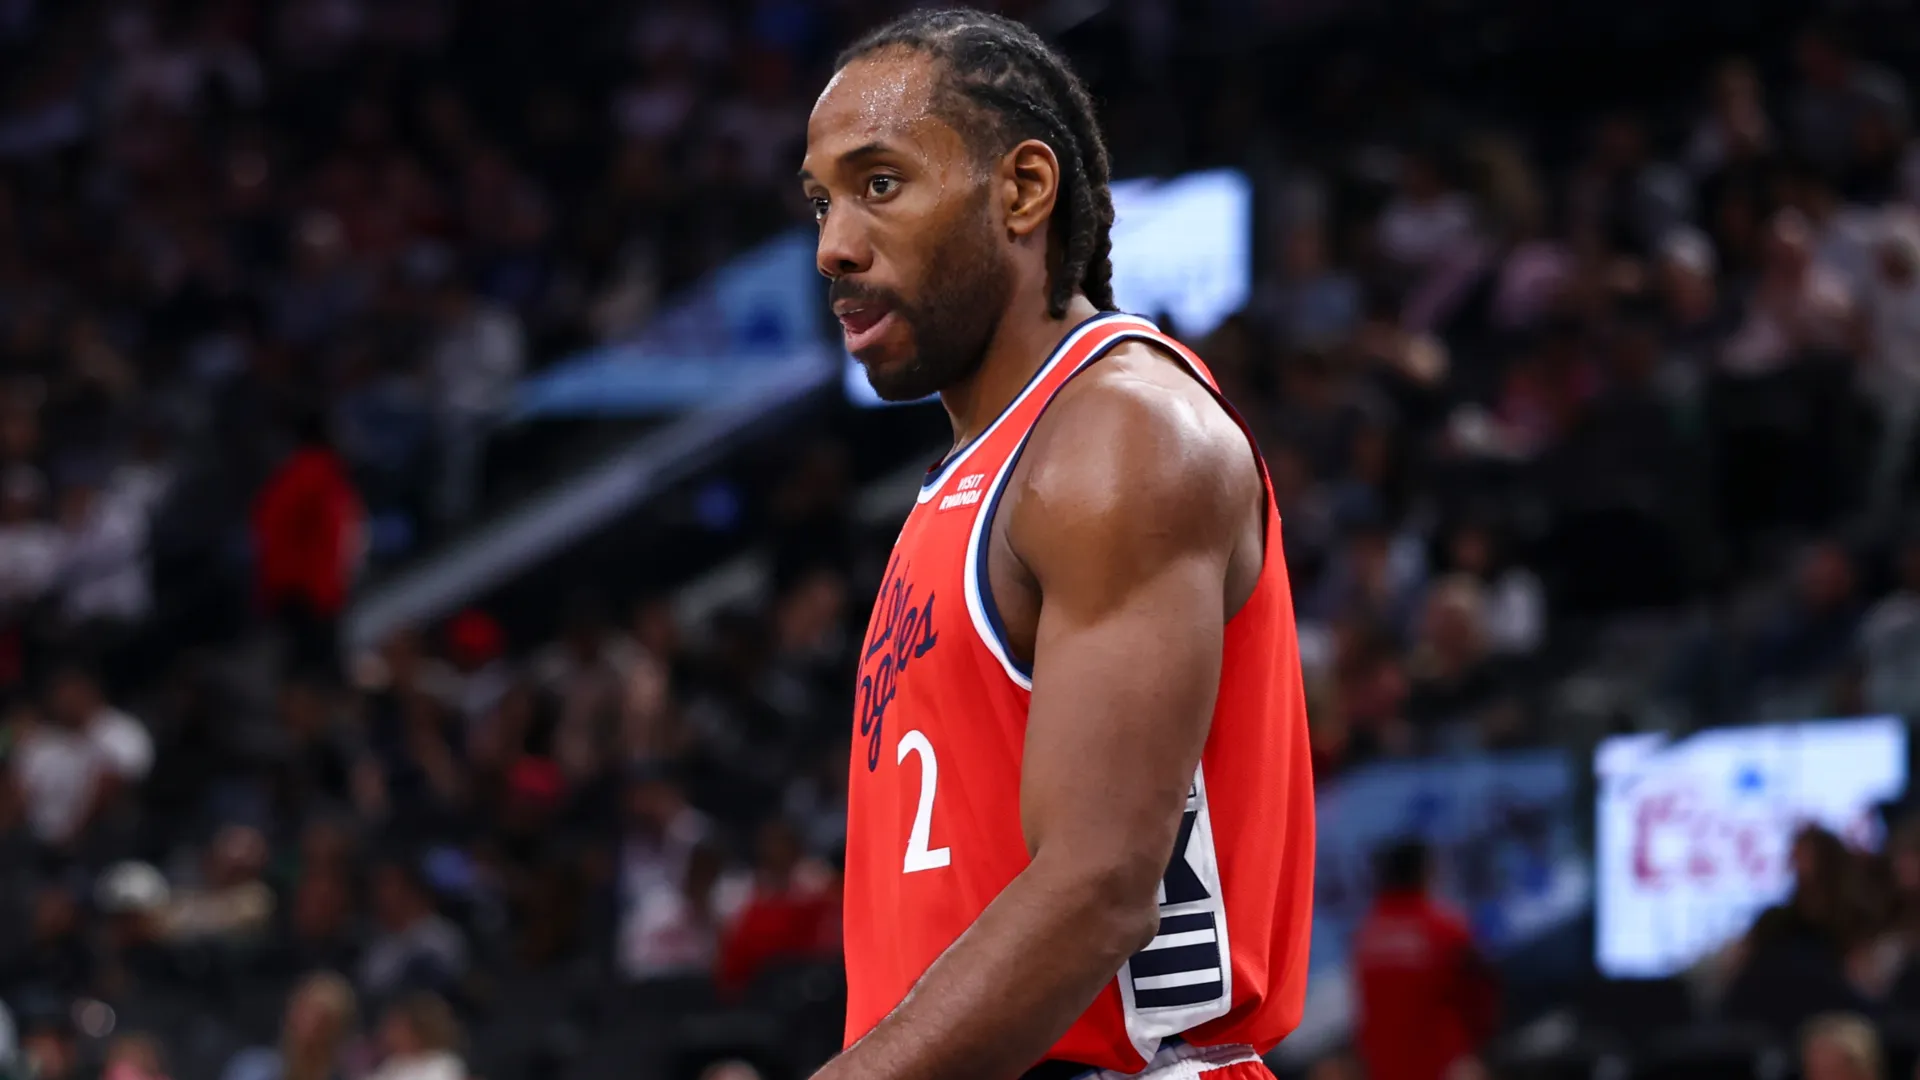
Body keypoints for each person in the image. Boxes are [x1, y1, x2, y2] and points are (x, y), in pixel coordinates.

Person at [799, 10, 1314, 1079]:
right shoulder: (979, 471)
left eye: (880, 184)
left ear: (1024, 191)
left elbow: (1099, 887)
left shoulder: (1121, 437)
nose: (833, 247)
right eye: (822, 201)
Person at [1351, 840, 1499, 1080]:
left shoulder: (1366, 935)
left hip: (1385, 1070)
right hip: (1443, 1067)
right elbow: (1480, 1000)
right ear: (1425, 872)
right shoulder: (1444, 929)